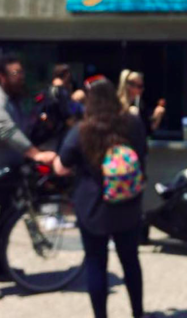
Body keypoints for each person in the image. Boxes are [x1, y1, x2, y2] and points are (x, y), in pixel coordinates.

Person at [54, 77, 147, 318]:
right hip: (129, 206)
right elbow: (143, 154)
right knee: (131, 262)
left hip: (93, 209)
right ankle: (138, 313)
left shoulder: (82, 130)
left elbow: (61, 166)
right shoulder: (133, 123)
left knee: (96, 264)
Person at [0, 53, 57, 300]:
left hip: (6, 173)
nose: (22, 78)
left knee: (2, 225)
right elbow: (9, 133)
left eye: (22, 73)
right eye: (16, 73)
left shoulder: (11, 99)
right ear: (1, 77)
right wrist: (36, 154)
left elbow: (20, 128)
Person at [117, 69, 165, 136]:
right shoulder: (117, 105)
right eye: (140, 86)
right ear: (129, 86)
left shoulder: (140, 106)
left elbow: (146, 132)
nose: (142, 89)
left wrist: (156, 118)